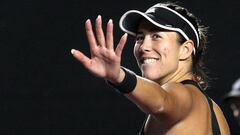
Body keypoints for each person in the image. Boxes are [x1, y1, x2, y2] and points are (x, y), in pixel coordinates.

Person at [71, 2, 230, 135]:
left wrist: (119, 76)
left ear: (185, 49)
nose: (143, 47)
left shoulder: (183, 94)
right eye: (140, 38)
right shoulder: (215, 113)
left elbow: (162, 101)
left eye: (156, 36)